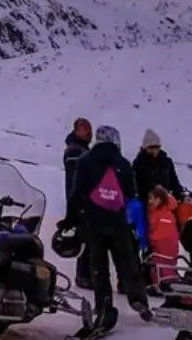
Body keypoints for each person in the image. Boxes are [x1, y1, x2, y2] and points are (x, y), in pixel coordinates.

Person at [62, 124, 153, 326]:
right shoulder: (124, 164)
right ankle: (139, 301)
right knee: (127, 263)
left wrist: (71, 219)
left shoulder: (86, 161)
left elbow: (76, 194)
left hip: (93, 224)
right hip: (118, 223)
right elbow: (131, 196)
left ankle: (103, 306)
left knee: (99, 267)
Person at [62, 118, 94, 288]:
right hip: (81, 200)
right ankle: (84, 275)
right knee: (87, 237)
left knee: (87, 237)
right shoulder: (75, 151)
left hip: (80, 199)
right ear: (76, 130)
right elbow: (78, 179)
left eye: (90, 129)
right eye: (85, 129)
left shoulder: (79, 150)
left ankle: (86, 274)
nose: (89, 132)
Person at [144, 185, 181, 289]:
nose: (149, 201)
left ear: (159, 199)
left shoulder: (165, 214)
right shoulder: (154, 212)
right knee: (156, 266)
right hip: (158, 247)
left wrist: (151, 238)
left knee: (166, 267)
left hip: (165, 247)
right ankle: (159, 285)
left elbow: (165, 233)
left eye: (152, 198)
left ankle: (170, 286)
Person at [132, 129, 185, 201]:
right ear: (145, 148)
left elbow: (174, 182)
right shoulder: (139, 163)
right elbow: (136, 186)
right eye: (151, 147)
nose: (154, 150)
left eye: (157, 147)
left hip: (168, 199)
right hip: (149, 201)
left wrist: (180, 194)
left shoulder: (166, 162)